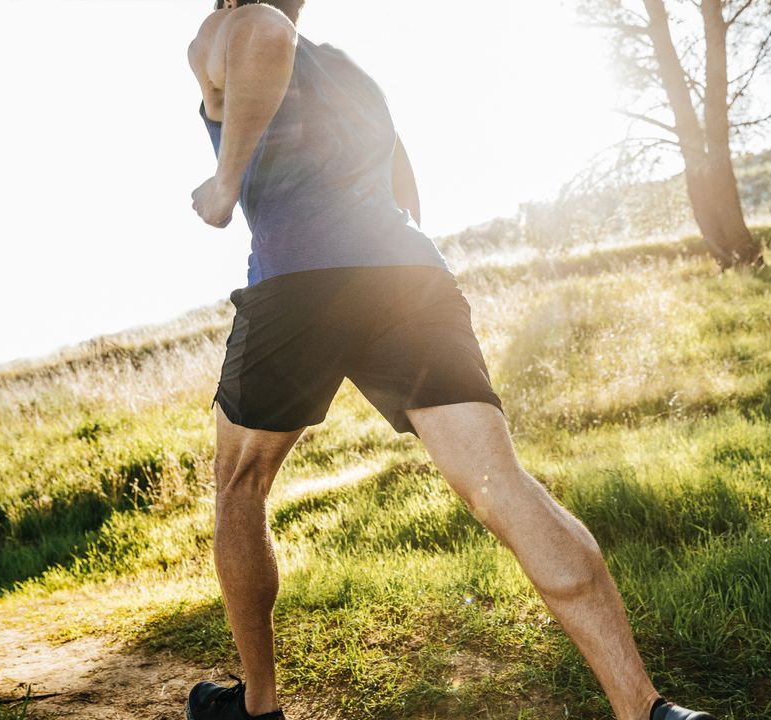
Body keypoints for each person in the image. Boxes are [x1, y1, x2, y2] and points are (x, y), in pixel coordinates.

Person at [185, 2, 714, 719]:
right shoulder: (351, 71)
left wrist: (225, 185)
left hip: (296, 281)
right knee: (504, 486)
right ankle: (646, 709)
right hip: (408, 279)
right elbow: (407, 192)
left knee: (239, 482)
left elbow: (267, 36)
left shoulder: (232, 27)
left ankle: (258, 708)